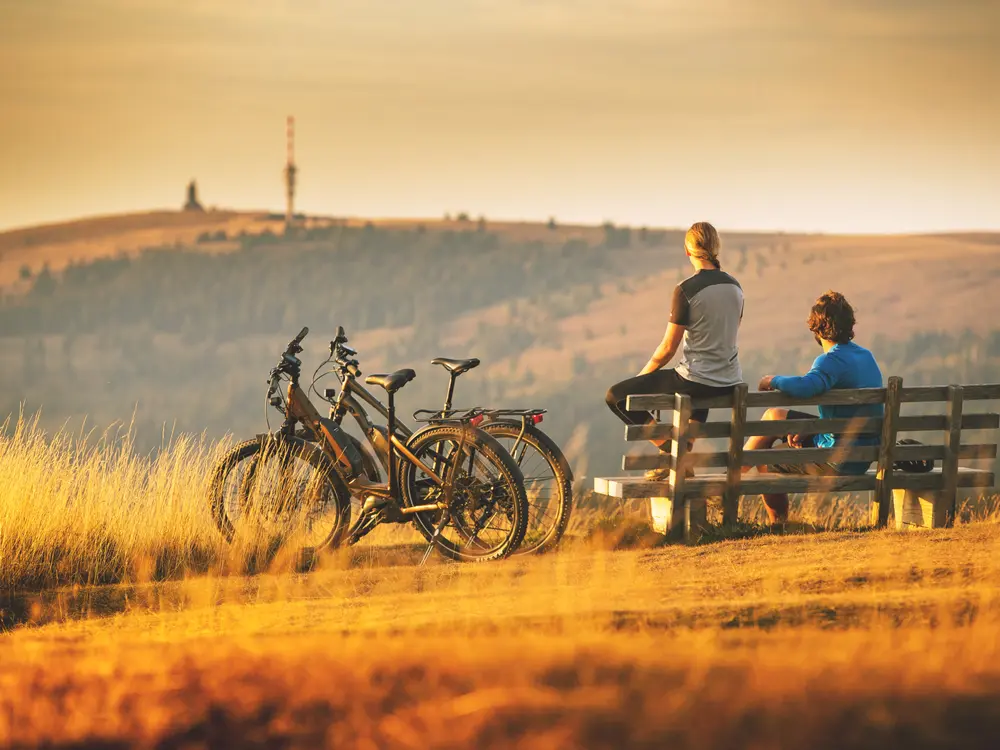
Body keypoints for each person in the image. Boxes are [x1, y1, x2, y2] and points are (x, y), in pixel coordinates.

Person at [605, 222, 744, 479]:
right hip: (728, 380)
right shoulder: (736, 287)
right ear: (716, 249)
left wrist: (641, 377)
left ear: (688, 252)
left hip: (697, 378)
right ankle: (682, 454)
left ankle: (673, 455)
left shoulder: (686, 290)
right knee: (700, 386)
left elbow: (668, 348)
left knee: (616, 396)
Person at [749, 290, 883, 524]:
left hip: (837, 459)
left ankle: (777, 525)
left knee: (765, 457)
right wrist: (813, 429)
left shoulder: (830, 360)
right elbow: (849, 416)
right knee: (774, 415)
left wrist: (772, 380)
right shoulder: (866, 356)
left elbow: (805, 387)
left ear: (817, 328)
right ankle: (729, 476)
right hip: (863, 455)